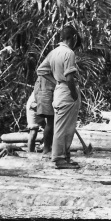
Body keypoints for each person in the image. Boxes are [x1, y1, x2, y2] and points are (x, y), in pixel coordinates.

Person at [46, 25, 82, 169]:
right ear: (72, 37)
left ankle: (65, 156)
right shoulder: (69, 53)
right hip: (66, 91)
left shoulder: (54, 52)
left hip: (59, 90)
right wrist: (73, 94)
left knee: (67, 127)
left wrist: (56, 81)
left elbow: (41, 70)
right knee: (62, 127)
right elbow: (70, 77)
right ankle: (59, 158)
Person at [27, 50, 56, 154]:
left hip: (40, 104)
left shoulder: (51, 76)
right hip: (33, 106)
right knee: (33, 130)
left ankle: (45, 146)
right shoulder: (43, 77)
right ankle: (30, 152)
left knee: (50, 125)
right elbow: (37, 93)